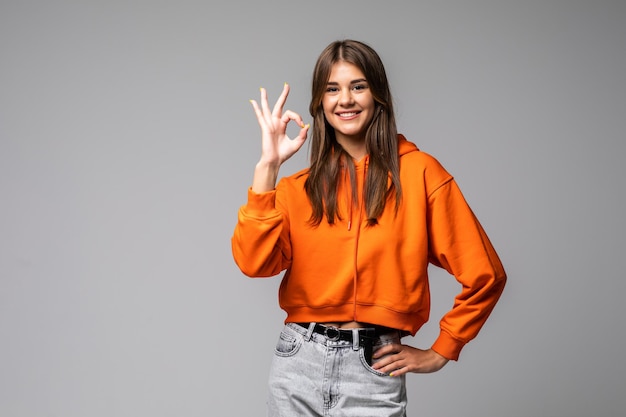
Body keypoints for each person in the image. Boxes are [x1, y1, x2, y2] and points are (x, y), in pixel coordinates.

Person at [231, 39, 506, 416]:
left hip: (373, 370)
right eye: (332, 89)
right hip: (297, 365)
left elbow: (486, 274)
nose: (345, 99)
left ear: (378, 95)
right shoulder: (298, 189)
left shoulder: (421, 174)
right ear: (320, 103)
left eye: (357, 86)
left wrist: (444, 348)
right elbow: (253, 262)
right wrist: (268, 167)